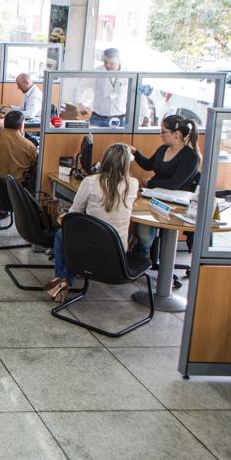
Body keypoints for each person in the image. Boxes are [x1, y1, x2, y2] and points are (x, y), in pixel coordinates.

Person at [46, 143, 140, 300]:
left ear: (104, 160)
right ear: (126, 163)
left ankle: (63, 282)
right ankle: (66, 279)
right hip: (116, 252)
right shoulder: (133, 184)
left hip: (89, 247)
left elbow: (75, 212)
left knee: (62, 235)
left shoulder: (90, 182)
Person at [130, 114, 201, 256]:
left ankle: (142, 254)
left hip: (173, 204)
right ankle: (142, 253)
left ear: (177, 134)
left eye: (163, 132)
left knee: (144, 228)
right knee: (138, 219)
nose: (160, 135)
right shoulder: (164, 149)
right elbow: (149, 165)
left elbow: (174, 184)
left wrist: (150, 182)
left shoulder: (190, 157)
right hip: (154, 195)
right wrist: (135, 153)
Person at [86, 48, 129, 127]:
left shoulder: (127, 75)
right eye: (106, 62)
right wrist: (81, 107)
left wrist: (144, 117)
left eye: (112, 63)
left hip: (120, 120)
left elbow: (135, 96)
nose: (108, 66)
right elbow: (80, 88)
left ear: (119, 61)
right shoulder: (96, 72)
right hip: (97, 119)